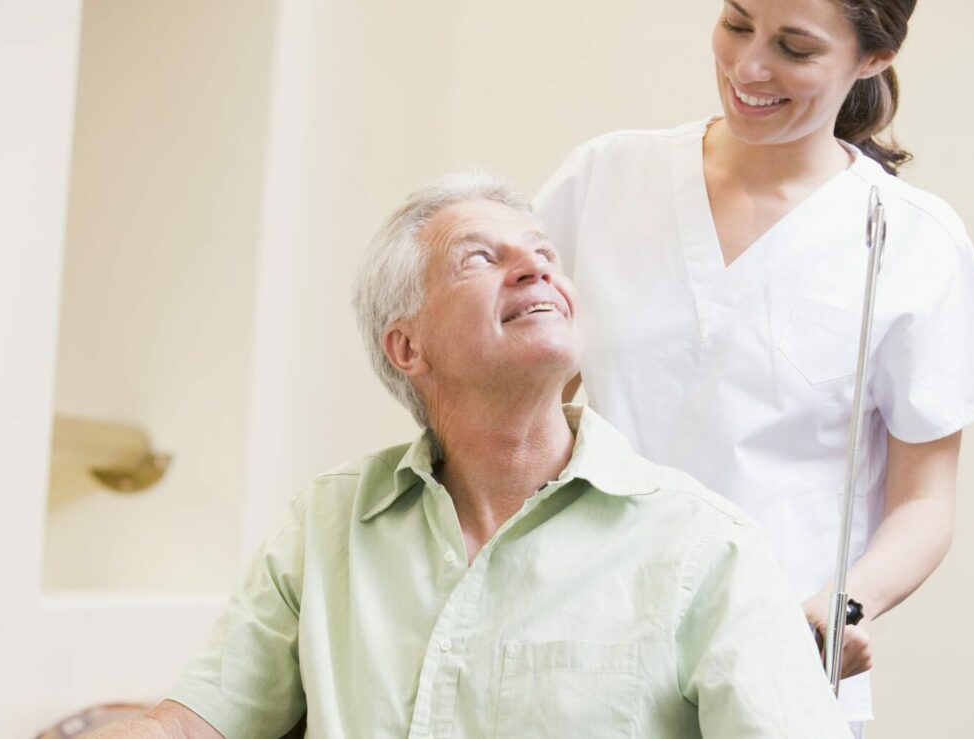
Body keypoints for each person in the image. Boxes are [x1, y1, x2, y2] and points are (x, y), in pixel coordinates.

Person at [88, 174, 852, 739]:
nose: (536, 268)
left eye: (546, 255)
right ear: (407, 345)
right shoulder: (327, 521)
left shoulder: (706, 546)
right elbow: (192, 728)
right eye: (479, 259)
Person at [533, 0, 974, 735]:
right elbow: (526, 410)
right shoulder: (607, 178)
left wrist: (842, 605)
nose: (749, 67)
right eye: (737, 22)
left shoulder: (911, 241)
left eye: (794, 46)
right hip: (575, 649)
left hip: (775, 669)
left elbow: (926, 503)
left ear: (873, 59)